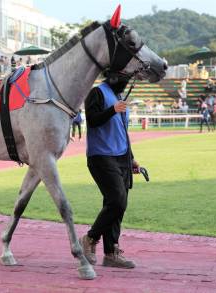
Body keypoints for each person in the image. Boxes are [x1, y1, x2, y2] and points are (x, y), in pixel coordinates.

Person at [80, 73, 140, 269]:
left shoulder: (118, 97)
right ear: (114, 77)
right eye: (125, 78)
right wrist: (112, 110)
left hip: (122, 157)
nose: (127, 82)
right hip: (101, 156)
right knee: (117, 200)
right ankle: (90, 238)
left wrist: (131, 158)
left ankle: (111, 253)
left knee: (118, 206)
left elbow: (122, 129)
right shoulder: (97, 93)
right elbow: (93, 120)